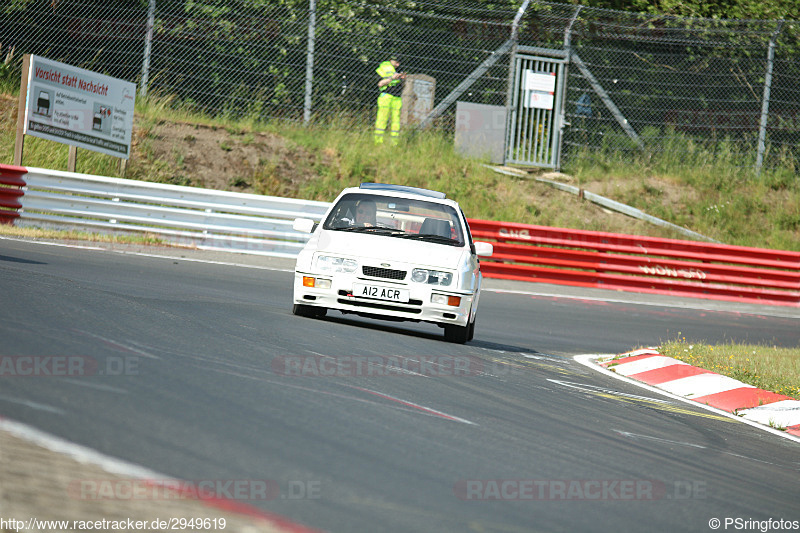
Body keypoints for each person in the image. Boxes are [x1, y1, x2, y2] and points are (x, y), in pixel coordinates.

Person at [374, 55, 405, 145]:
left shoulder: (399, 69)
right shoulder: (383, 69)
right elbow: (380, 84)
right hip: (386, 96)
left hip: (397, 98)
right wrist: (392, 78)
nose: (398, 64)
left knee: (396, 121)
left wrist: (402, 78)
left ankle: (394, 143)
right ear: (390, 60)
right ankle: (378, 142)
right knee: (382, 120)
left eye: (399, 62)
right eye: (396, 61)